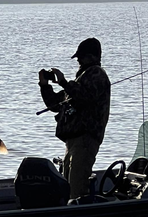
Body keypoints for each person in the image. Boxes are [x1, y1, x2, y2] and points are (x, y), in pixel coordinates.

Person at [38, 38, 110, 200]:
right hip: (72, 142)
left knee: (76, 187)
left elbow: (85, 97)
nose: (78, 60)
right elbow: (55, 105)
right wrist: (44, 86)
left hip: (85, 140)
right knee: (67, 185)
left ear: (92, 57)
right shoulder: (81, 79)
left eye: (81, 56)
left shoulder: (97, 74)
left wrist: (63, 82)